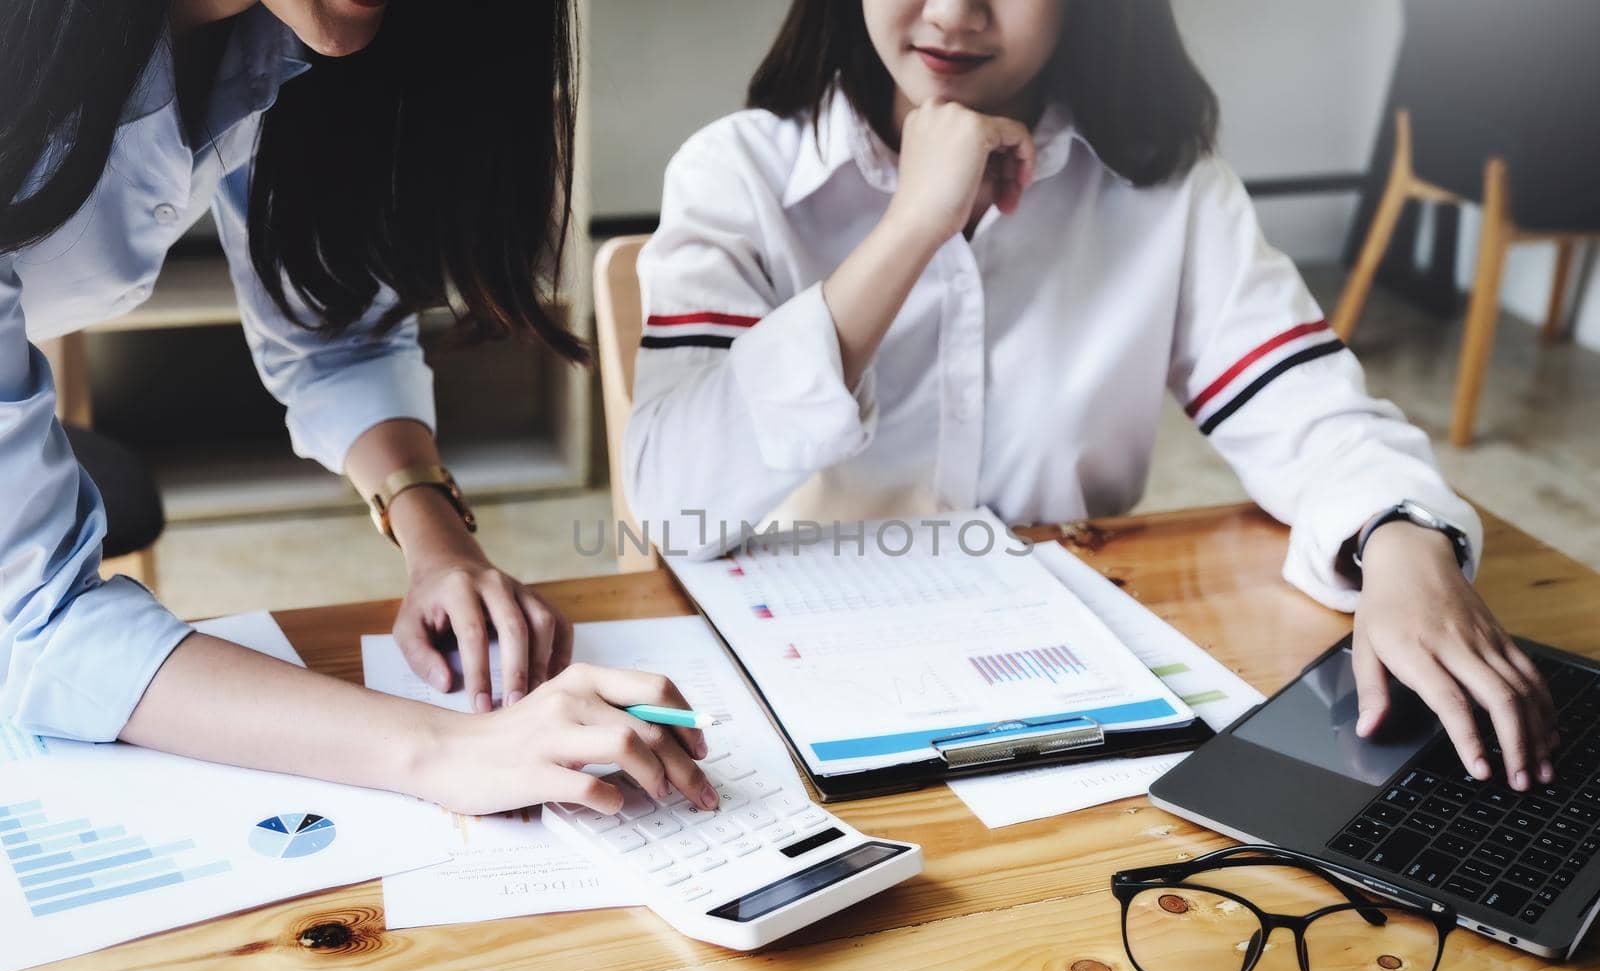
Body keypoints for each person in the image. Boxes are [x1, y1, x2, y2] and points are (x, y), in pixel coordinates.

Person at [624, 0, 1557, 790]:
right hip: (801, 701)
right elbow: (675, 502)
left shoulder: (1168, 189)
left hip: (1075, 703)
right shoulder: (738, 174)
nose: (953, 12)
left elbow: (1308, 408)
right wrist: (912, 225)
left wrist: (1401, 538)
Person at [0, 0, 717, 817]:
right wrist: (454, 748)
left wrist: (435, 536)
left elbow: (335, 332)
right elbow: (37, 626)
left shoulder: (282, 38)